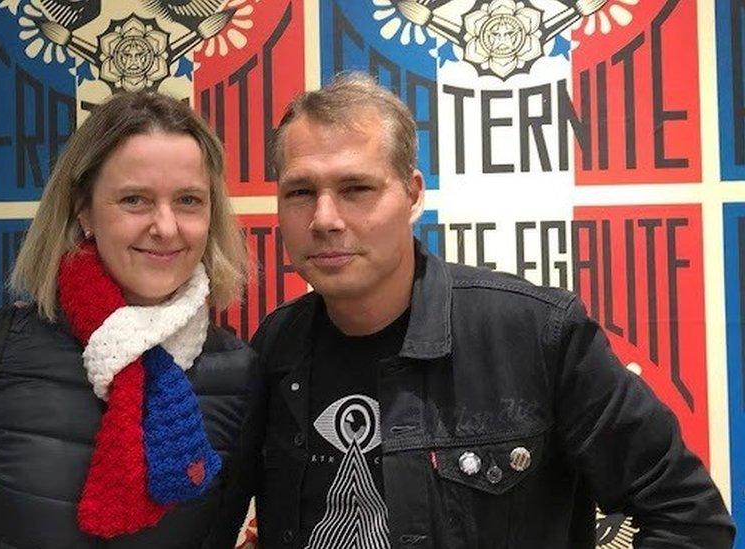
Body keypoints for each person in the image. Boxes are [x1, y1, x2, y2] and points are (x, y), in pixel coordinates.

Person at [220, 73, 735, 548]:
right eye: (301, 192)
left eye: (356, 189)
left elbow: (688, 517)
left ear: (413, 194)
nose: (324, 218)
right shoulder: (276, 346)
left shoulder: (536, 333)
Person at [0, 91, 255, 548]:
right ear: (84, 208)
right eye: (134, 200)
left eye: (188, 200)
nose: (166, 227)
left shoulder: (239, 374)